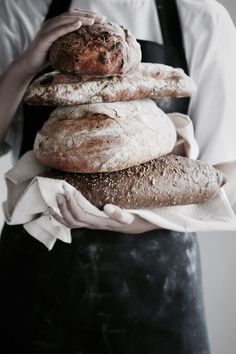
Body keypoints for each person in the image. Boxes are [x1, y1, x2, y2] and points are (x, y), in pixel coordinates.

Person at [0, 0, 236, 353]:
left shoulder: (201, 17)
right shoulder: (21, 11)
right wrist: (24, 67)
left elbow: (226, 176)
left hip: (158, 284)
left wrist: (144, 219)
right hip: (37, 278)